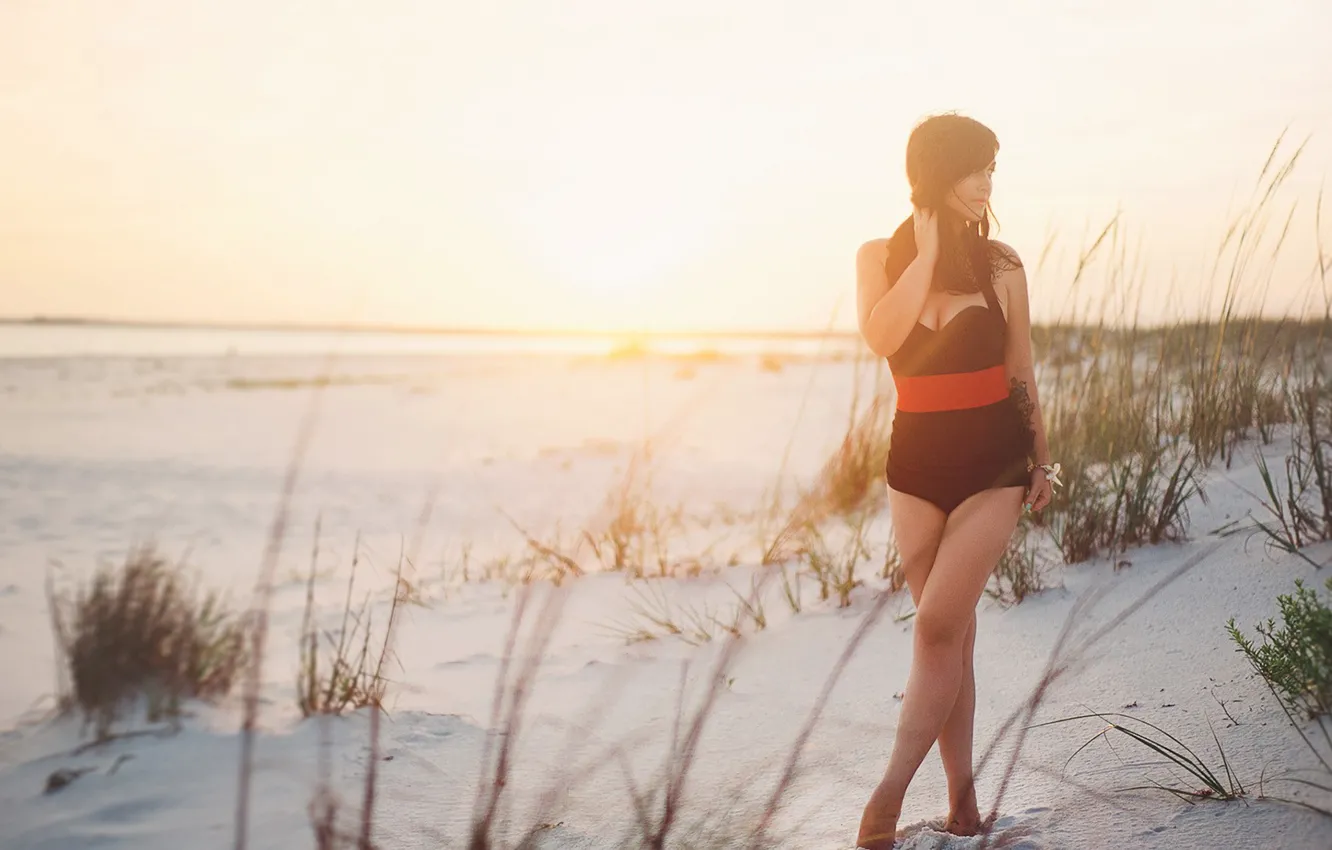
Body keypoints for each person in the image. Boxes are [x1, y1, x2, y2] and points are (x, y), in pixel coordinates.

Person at [852, 113, 1060, 849]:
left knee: (937, 628)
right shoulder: (878, 256)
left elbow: (1020, 371)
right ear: (938, 174)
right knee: (953, 641)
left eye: (992, 169)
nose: (988, 184)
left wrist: (1040, 458)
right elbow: (881, 337)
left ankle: (883, 802)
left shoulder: (1002, 266)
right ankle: (963, 807)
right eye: (975, 169)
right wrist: (928, 250)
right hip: (913, 469)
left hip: (992, 466)